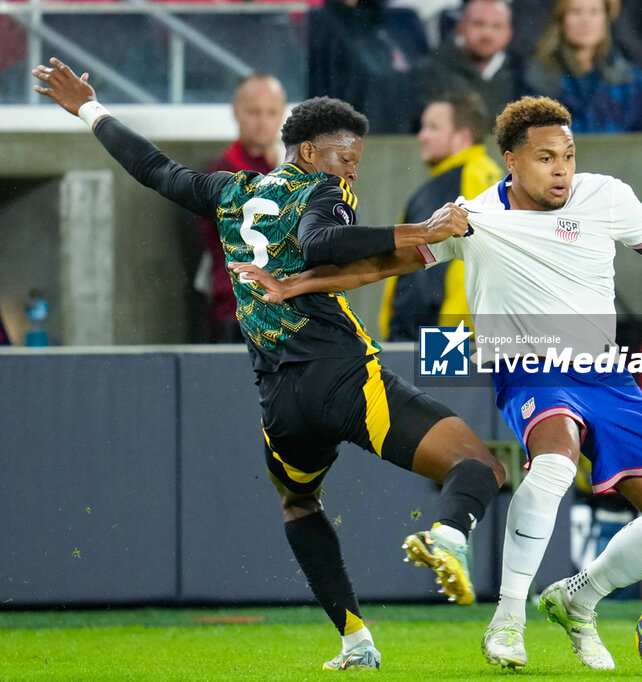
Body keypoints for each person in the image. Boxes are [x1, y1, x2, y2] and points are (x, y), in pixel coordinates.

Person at [230, 96, 642, 671]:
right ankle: (507, 619)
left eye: (569, 156)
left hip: (606, 375)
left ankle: (578, 598)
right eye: (546, 158)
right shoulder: (475, 217)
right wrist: (293, 286)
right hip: (527, 366)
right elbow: (382, 265)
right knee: (553, 463)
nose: (562, 170)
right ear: (511, 160)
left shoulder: (608, 197)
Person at [32, 57, 505, 672]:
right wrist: (422, 230)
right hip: (345, 376)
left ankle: (356, 641)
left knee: (299, 504)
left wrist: (88, 109)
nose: (350, 171)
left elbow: (153, 169)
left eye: (355, 163)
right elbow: (321, 245)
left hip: (281, 398)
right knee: (479, 466)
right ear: (308, 152)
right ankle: (447, 535)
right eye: (344, 160)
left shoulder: (229, 191)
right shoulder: (322, 191)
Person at [379, 92, 503, 341]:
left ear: (463, 137)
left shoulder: (475, 174)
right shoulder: (442, 183)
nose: (422, 136)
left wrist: (451, 334)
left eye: (433, 128)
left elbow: (478, 258)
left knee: (442, 383)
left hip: (443, 339)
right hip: (422, 336)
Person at [196, 74, 288, 343]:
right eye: (254, 112)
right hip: (238, 313)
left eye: (271, 113)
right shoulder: (224, 174)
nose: (262, 122)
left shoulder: (285, 169)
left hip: (282, 312)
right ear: (237, 111)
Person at [523, 0, 642, 134]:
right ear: (561, 19)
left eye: (594, 12)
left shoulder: (633, 83)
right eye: (576, 12)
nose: (585, 21)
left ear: (606, 20)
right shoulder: (535, 81)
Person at [307, 0, 418, 133]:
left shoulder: (400, 19)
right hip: (352, 132)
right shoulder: (323, 21)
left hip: (399, 130)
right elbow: (321, 85)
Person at [418, 0, 520, 126]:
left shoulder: (520, 74)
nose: (487, 34)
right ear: (461, 27)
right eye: (479, 24)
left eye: (497, 26)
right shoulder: (430, 72)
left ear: (509, 34)